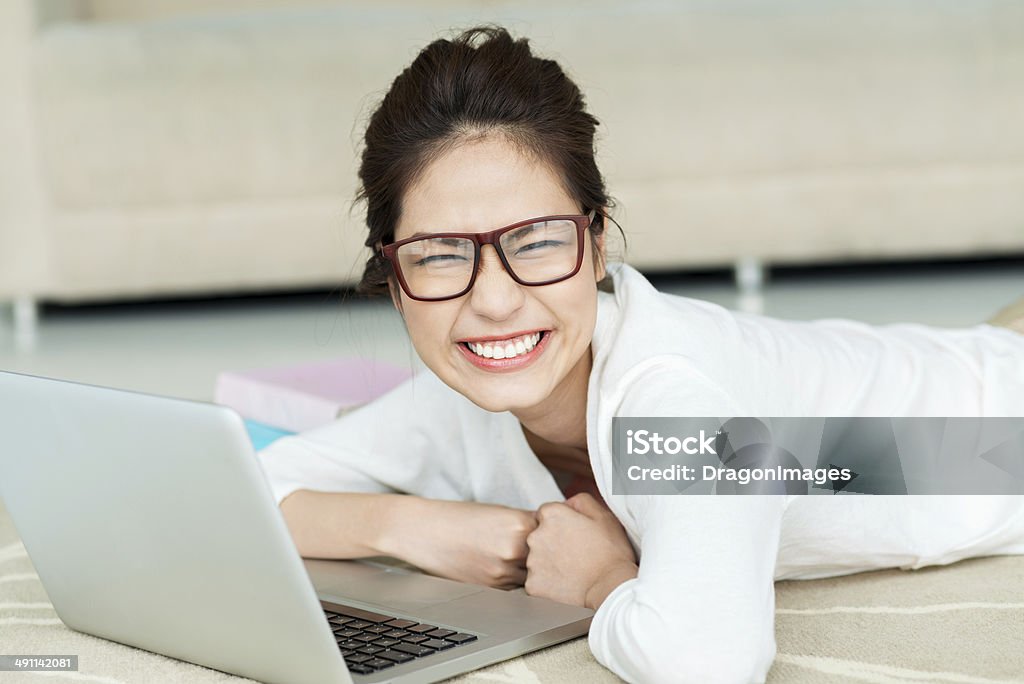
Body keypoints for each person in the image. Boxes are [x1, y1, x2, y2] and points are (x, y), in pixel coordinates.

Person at [256, 25, 1024, 683]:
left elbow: (710, 663)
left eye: (537, 241)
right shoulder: (459, 399)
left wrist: (603, 582)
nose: (493, 299)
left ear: (595, 247)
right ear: (392, 277)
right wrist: (415, 528)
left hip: (993, 439)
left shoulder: (684, 416)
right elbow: (246, 490)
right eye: (441, 254)